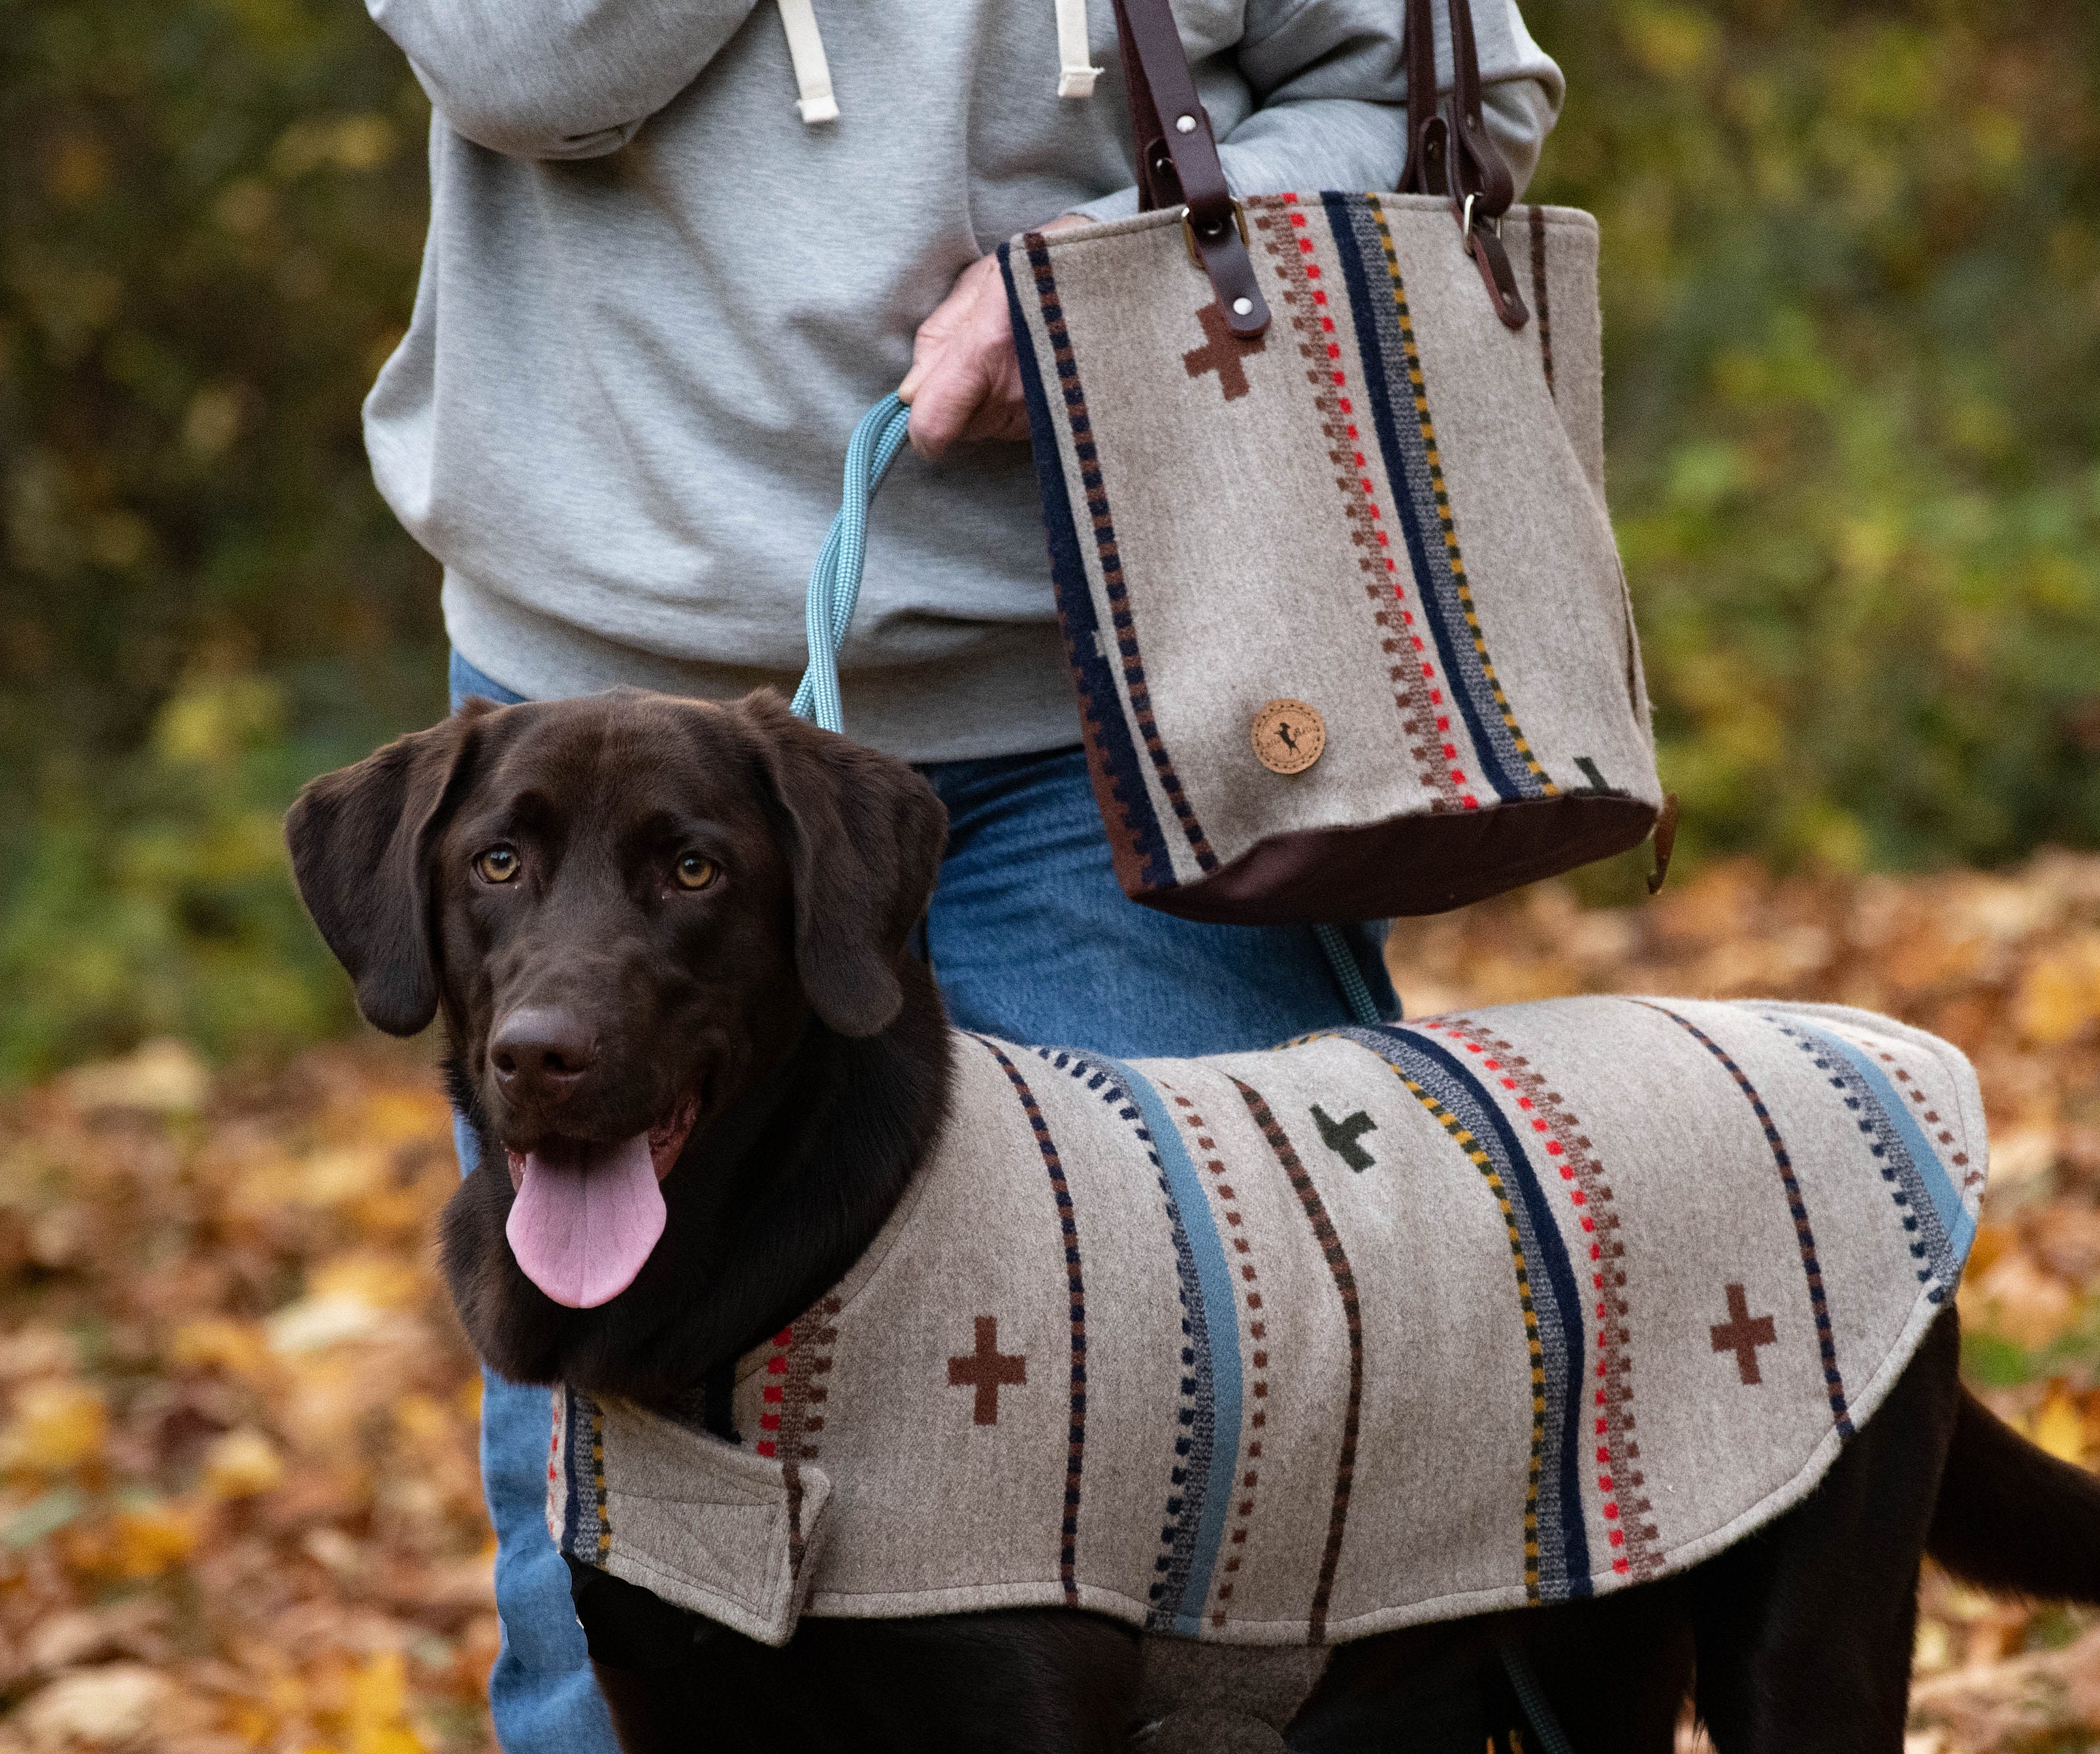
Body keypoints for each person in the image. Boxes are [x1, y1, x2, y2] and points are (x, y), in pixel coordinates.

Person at [357, 0, 1562, 1742]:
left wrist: (1129, 272)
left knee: (1233, 1508)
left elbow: (1449, 101)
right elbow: (523, 62)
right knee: (617, 1593)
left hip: (1151, 727)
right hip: (607, 760)